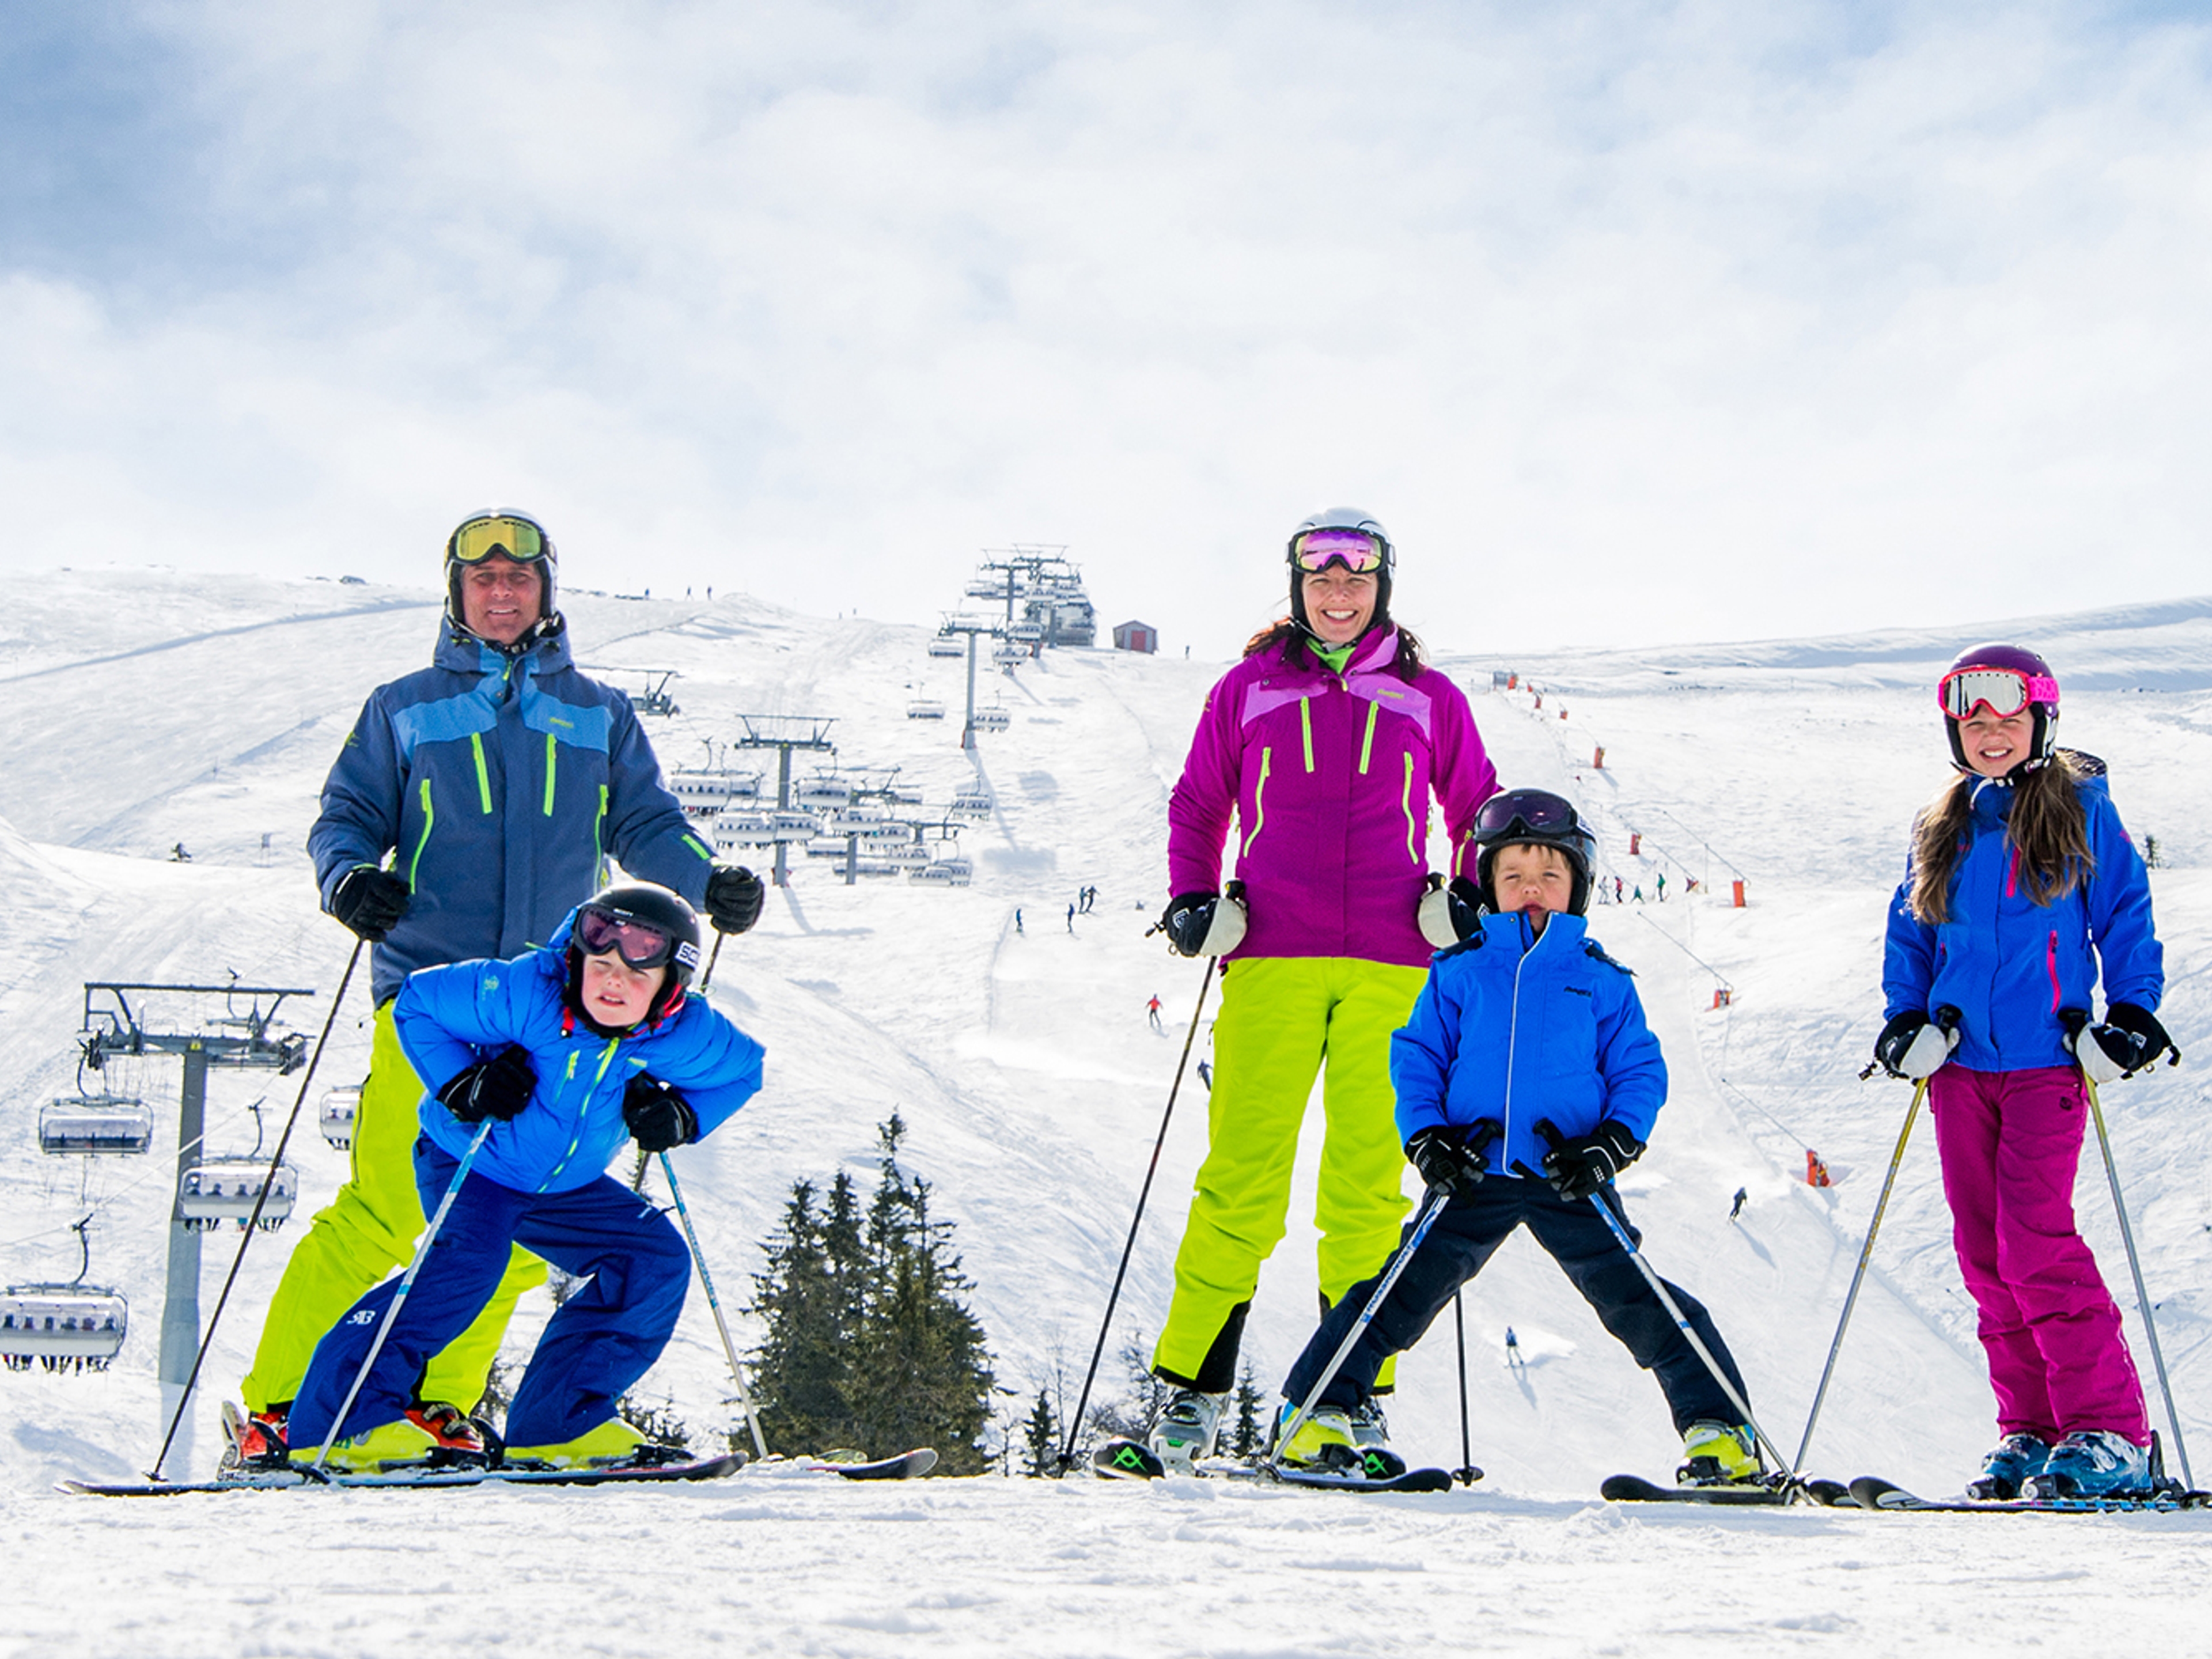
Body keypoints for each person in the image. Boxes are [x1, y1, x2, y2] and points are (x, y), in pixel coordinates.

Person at [225, 510, 765, 1475]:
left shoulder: (598, 713)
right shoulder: (405, 704)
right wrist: (349, 878)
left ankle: (429, 1404)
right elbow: (345, 815)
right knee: (393, 1210)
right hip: (434, 993)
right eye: (484, 581)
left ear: (547, 593)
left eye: (521, 579)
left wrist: (704, 881)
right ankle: (283, 1407)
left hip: (562, 1004)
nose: (503, 594)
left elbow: (646, 822)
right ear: (457, 594)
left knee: (513, 1226)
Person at [1272, 789, 1764, 1485]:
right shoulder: (1460, 971)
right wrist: (1428, 1139)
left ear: (1578, 886)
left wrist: (1611, 1144)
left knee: (1640, 1302)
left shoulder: (1600, 981)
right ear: (1489, 887)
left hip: (1571, 1176)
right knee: (1395, 1297)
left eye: (1549, 877)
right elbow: (1416, 1058)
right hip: (1471, 1173)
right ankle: (1313, 1414)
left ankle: (1721, 1434)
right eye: (1513, 877)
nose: (1531, 890)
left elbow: (1639, 1070)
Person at [1145, 507, 1497, 1471]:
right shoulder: (1250, 687)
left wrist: (1464, 897)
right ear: (1298, 586)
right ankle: (1189, 1397)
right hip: (1271, 958)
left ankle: (1348, 1402)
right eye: (1321, 577)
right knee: (1242, 1183)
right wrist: (1190, 897)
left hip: (1396, 966)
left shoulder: (1429, 697)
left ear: (1382, 585)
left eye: (1357, 576)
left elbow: (1479, 809)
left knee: (1365, 1194)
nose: (1338, 593)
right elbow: (1200, 799)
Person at [288, 885, 764, 1470]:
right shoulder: (524, 993)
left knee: (653, 1259)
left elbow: (745, 1070)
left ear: (670, 985)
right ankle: (343, 1424)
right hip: (474, 1159)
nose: (613, 983)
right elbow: (416, 1004)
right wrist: (463, 1084)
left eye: (636, 976)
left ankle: (556, 1426)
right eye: (602, 965)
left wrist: (683, 1115)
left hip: (565, 1186)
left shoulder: (683, 1032)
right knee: (468, 1265)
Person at [1875, 643, 2174, 1499]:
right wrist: (1905, 1020)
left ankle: (2109, 1429)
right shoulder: (1944, 823)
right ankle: (2034, 1429)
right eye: (1975, 723)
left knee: (2034, 1240)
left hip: (2049, 1059)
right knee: (1982, 1251)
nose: (1992, 736)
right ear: (1955, 733)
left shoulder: (2077, 807)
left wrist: (2134, 1013)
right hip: (1962, 1067)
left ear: (2041, 722)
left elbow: (2122, 910)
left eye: (2009, 720)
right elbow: (1913, 933)